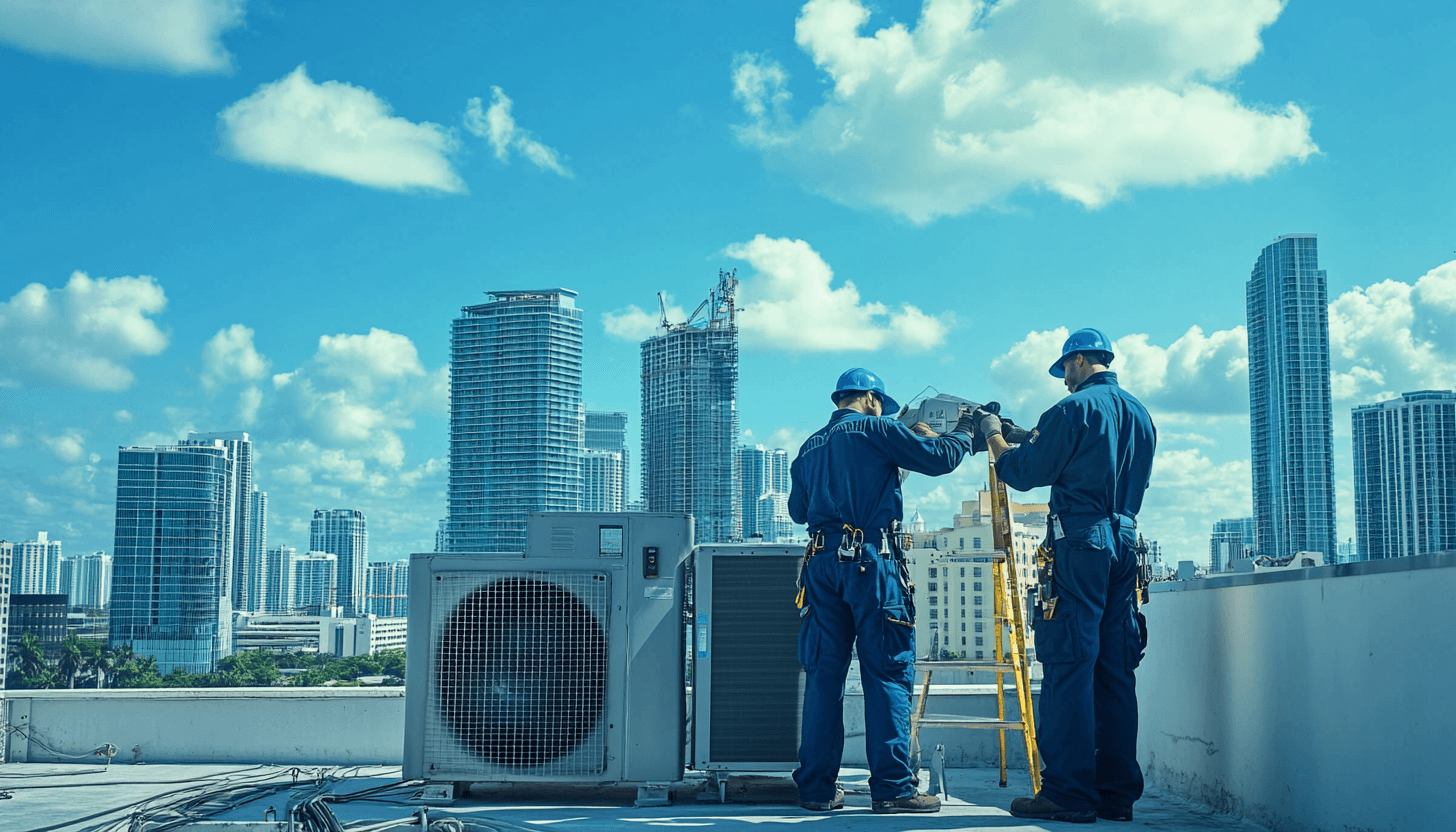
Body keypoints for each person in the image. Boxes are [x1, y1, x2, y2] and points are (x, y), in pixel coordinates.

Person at [976, 328, 1157, 824]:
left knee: (1070, 663)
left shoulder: (1071, 410)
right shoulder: (1139, 413)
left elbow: (1020, 472)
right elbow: (1075, 452)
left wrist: (991, 432)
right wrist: (1020, 433)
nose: (1063, 380)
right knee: (1115, 669)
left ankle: (1069, 792)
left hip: (1080, 542)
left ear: (1078, 360)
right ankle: (1115, 793)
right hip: (1124, 542)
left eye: (1065, 370)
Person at [788, 368, 975, 814]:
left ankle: (815, 789)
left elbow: (798, 511)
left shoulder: (808, 446)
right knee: (887, 672)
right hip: (871, 563)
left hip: (820, 566)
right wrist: (967, 427)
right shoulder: (877, 428)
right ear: (871, 397)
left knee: (824, 677)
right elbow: (941, 458)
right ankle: (892, 789)